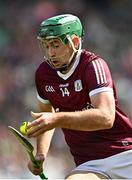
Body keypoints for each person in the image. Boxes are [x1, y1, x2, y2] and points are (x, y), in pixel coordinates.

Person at [26, 14, 132, 179]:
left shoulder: (93, 66)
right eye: (46, 46)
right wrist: (40, 154)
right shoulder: (43, 74)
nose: (50, 53)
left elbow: (106, 117)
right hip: (90, 164)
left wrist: (57, 119)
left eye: (55, 45)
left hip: (124, 155)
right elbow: (47, 117)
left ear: (74, 42)